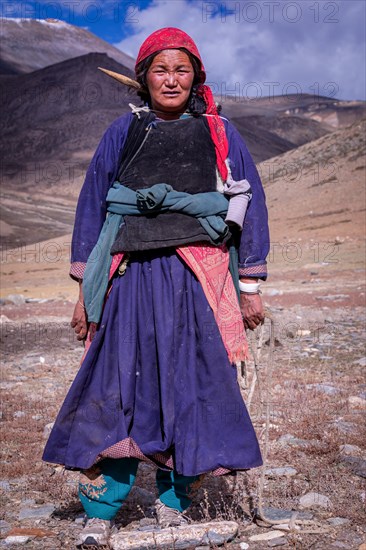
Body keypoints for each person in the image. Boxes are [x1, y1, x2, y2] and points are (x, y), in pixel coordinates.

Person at [43, 27, 269, 548]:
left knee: (190, 385)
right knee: (113, 384)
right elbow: (92, 206)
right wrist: (85, 289)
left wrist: (250, 284)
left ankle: (174, 505)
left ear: (196, 78)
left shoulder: (220, 133)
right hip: (129, 277)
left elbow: (250, 203)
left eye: (181, 69)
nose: (171, 79)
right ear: (143, 78)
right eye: (161, 70)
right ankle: (100, 508)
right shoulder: (122, 132)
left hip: (197, 276)